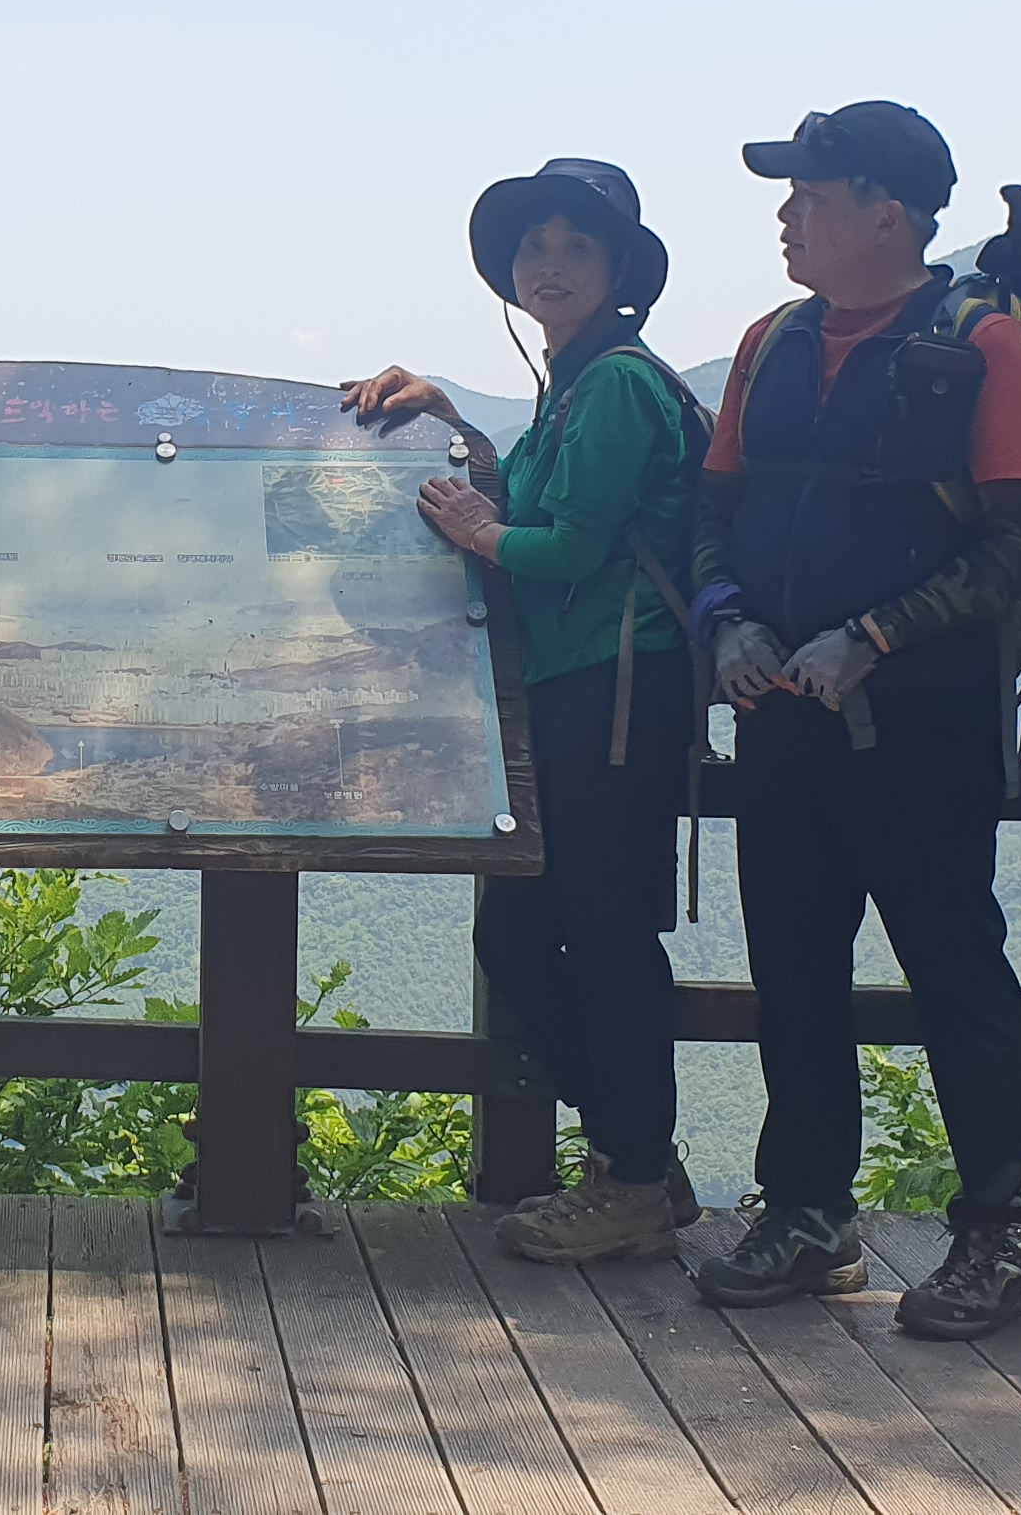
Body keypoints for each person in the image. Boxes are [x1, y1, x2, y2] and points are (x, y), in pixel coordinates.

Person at [681, 103, 1021, 1338]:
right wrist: (726, 623)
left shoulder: (982, 345)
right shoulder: (770, 343)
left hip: (923, 723)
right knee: (795, 970)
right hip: (781, 714)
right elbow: (712, 512)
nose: (786, 215)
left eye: (811, 193)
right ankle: (807, 1212)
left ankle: (997, 1233)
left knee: (955, 969)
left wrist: (877, 635)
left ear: (886, 214)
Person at [338, 159, 706, 1265]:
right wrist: (451, 421)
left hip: (619, 690)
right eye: (534, 246)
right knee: (526, 930)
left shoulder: (620, 385)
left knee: (603, 933)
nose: (549, 264)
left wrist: (480, 534)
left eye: (577, 246)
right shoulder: (574, 387)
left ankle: (633, 1178)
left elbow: (571, 546)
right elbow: (543, 500)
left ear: (620, 270)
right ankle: (639, 1159)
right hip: (578, 689)